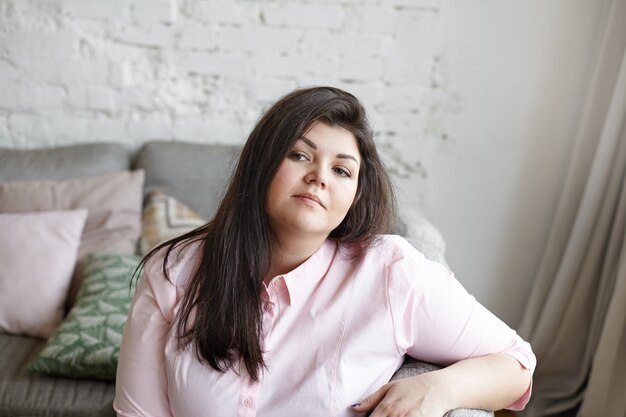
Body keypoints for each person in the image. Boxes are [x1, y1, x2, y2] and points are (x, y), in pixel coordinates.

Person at [114, 86, 535, 417]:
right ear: (261, 164)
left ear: (355, 194)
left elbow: (516, 363)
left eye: (341, 170)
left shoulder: (391, 272)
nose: (319, 177)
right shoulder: (174, 271)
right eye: (300, 155)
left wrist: (439, 389)